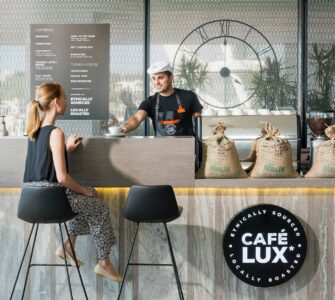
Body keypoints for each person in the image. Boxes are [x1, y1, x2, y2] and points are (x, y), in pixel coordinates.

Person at [23, 82, 122, 282]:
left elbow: (45, 162)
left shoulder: (33, 131)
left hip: (31, 200)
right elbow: (61, 178)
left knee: (89, 199)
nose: (67, 102)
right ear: (56, 101)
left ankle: (69, 245)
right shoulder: (56, 133)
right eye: (65, 97)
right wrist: (84, 191)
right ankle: (104, 261)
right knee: (98, 206)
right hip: (53, 199)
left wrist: (65, 150)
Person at [121, 61, 203, 136]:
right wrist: (124, 128)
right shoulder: (150, 102)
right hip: (161, 149)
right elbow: (136, 119)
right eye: (154, 78)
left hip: (187, 149)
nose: (156, 82)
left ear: (171, 78)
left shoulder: (189, 96)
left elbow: (199, 123)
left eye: (160, 78)